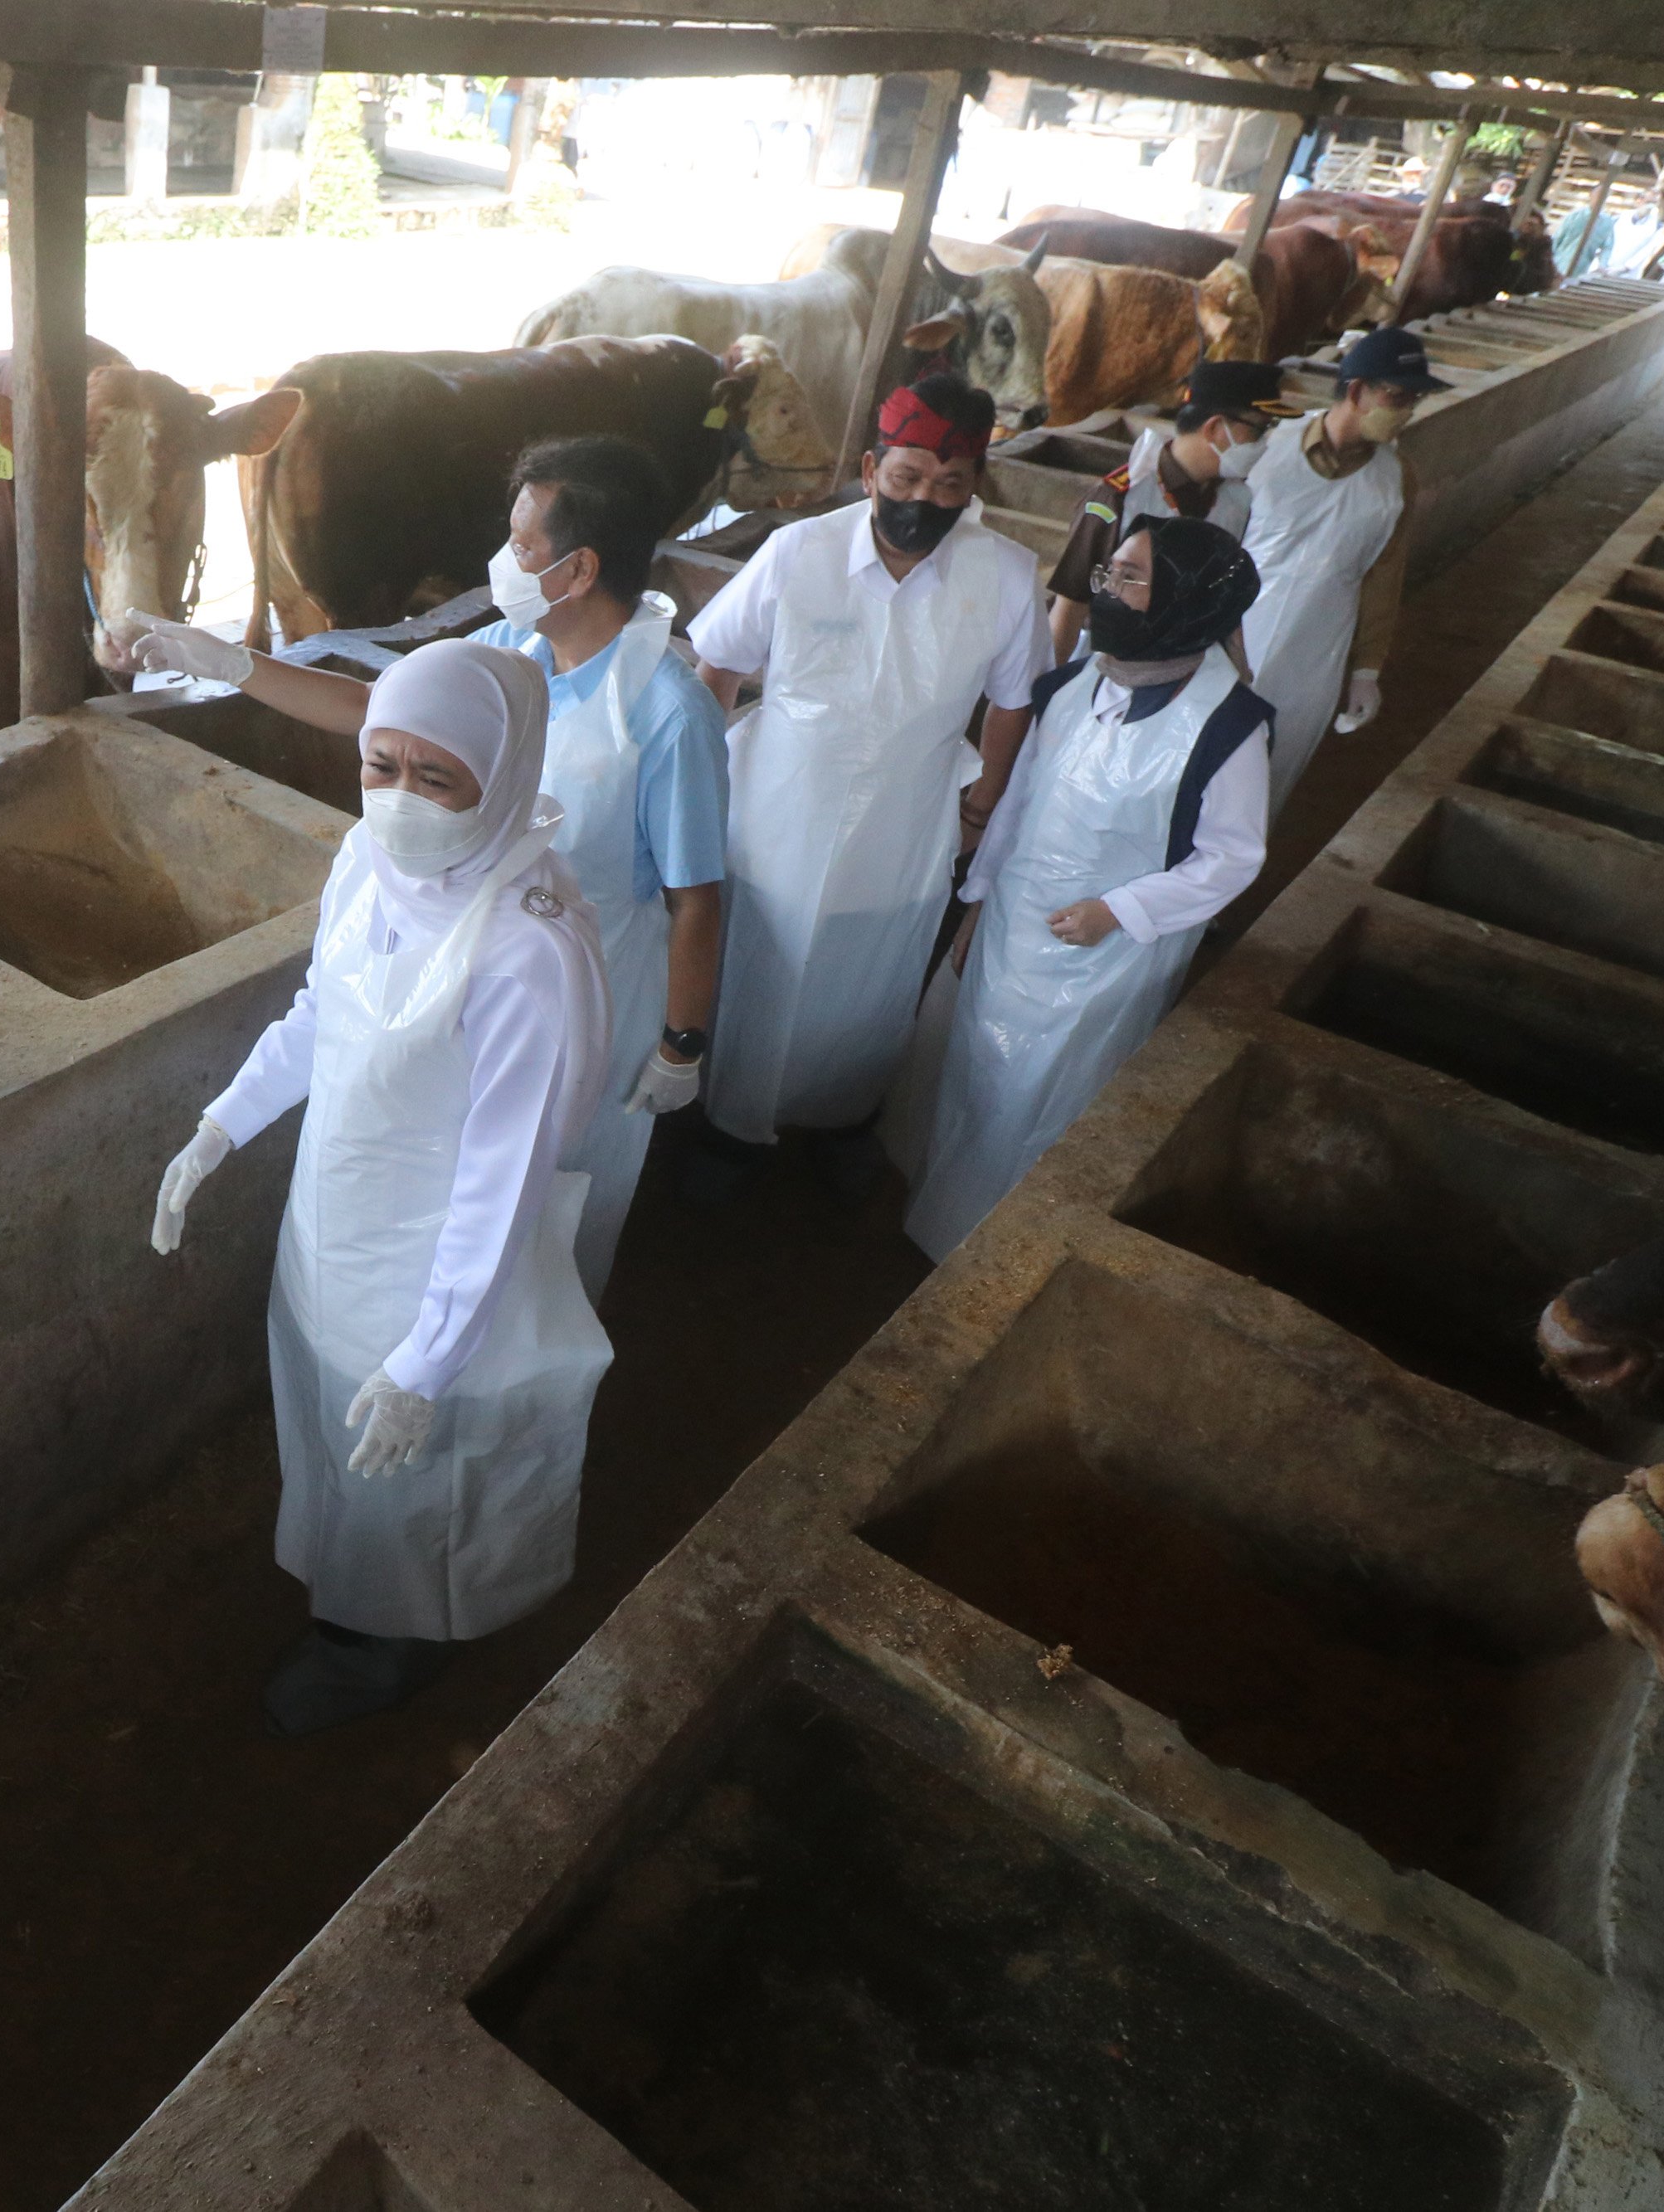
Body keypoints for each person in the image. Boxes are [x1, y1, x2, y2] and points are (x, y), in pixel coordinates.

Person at [114, 436, 726, 1304]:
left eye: (521, 546)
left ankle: (531, 1351)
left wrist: (679, 1043)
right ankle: (430, 1327)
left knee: (549, 1185)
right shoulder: (514, 646)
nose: (502, 560)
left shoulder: (668, 713)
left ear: (581, 568)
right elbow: (384, 710)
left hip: (587, 982)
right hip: (460, 955)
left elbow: (695, 896)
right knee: (451, 1175)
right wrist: (229, 663)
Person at [146, 640, 614, 1737]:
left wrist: (430, 1354)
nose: (398, 797)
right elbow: (320, 1010)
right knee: (332, 1429)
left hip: (432, 1263)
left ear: (501, 777)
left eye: (435, 776)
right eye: (380, 764)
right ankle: (352, 1601)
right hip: (336, 1216)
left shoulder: (525, 950)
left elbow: (504, 1175)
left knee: (416, 1473)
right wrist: (221, 1126)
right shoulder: (366, 860)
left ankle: (386, 1645)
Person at [685, 368, 1044, 1166]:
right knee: (757, 970)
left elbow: (1014, 701)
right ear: (871, 468)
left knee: (870, 980)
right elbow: (718, 665)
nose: (924, 500)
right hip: (778, 818)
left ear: (975, 485)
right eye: (907, 477)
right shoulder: (799, 551)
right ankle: (726, 1128)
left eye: (950, 484)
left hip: (905, 825)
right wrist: (698, 788)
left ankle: (839, 1123)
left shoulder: (1006, 575)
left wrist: (980, 807)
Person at [907, 518, 1272, 1260]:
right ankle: (945, 1223)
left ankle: (1006, 1247)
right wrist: (978, 905)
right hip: (1016, 922)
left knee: (1051, 1096)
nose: (1106, 590)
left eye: (1129, 578)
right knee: (979, 1075)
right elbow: (1017, 804)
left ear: (1184, 600)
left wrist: (1119, 911)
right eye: (1109, 573)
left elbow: (1232, 856)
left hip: (1111, 953)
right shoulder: (1075, 684)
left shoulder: (1227, 724)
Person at [1235, 322, 1441, 819]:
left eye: (1413, 400)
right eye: (1397, 397)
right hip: (1235, 631)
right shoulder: (1271, 446)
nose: (1407, 411)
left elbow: (1383, 577)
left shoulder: (1395, 481)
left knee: (1270, 771)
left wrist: (1366, 670)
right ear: (1355, 391)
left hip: (1316, 650)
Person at [1042, 358, 1287, 662]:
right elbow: (1070, 607)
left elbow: (1223, 598)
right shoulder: (1120, 499)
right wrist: (1050, 684)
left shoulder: (1235, 501)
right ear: (1214, 428)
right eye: (1258, 430)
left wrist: (1239, 666)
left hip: (1189, 667)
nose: (1263, 444)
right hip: (1109, 663)